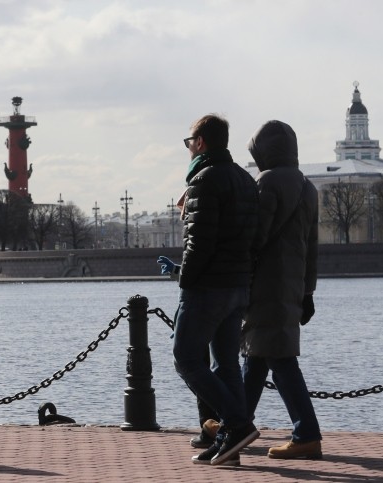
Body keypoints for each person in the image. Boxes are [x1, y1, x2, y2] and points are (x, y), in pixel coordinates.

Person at [170, 114, 260, 466]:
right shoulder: (243, 179)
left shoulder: (203, 181)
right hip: (238, 286)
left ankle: (237, 425)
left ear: (200, 143)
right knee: (225, 365)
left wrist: (185, 281)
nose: (189, 147)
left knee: (186, 359)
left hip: (207, 287)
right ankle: (229, 440)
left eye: (189, 141)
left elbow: (199, 243)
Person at [241, 120, 322, 459]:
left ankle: (306, 433)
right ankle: (237, 422)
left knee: (279, 359)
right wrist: (307, 292)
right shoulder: (308, 187)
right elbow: (312, 247)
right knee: (258, 355)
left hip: (265, 285)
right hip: (291, 286)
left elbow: (255, 238)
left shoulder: (266, 182)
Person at [157, 256, 221, 450]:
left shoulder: (203, 226)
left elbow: (200, 267)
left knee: (195, 369)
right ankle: (225, 423)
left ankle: (217, 426)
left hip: (206, 306)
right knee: (217, 369)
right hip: (221, 300)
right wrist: (177, 270)